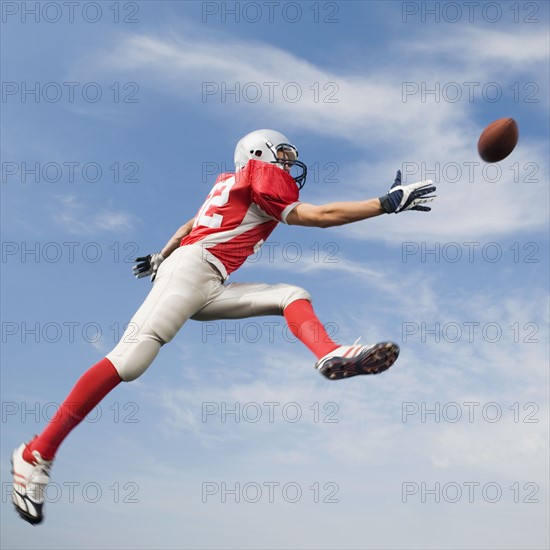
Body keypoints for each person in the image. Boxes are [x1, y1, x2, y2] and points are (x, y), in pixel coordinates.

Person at [11, 129, 436, 524]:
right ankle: (35, 453)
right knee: (131, 359)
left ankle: (329, 352)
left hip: (206, 279)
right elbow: (320, 216)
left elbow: (189, 227)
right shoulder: (258, 174)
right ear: (259, 155)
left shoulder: (230, 185)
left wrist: (161, 256)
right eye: (283, 156)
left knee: (291, 294)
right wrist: (384, 203)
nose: (288, 165)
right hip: (192, 273)